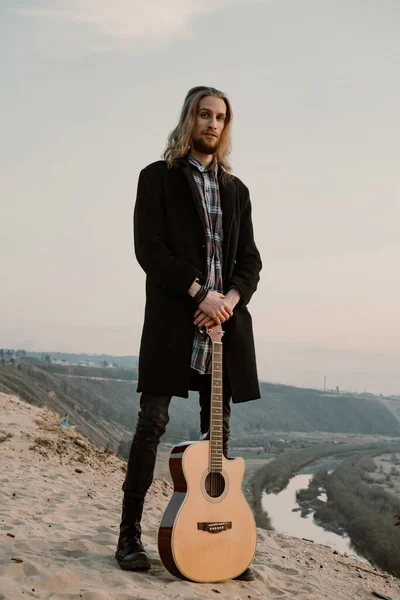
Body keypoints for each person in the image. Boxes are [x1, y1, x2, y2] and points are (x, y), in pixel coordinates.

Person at [116, 86, 262, 578]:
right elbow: (149, 250)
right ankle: (130, 536)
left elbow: (250, 262)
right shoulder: (156, 179)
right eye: (204, 114)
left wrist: (228, 303)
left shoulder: (236, 190)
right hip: (173, 324)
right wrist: (201, 293)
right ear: (189, 119)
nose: (213, 124)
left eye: (221, 117)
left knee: (216, 440)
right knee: (152, 424)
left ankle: (219, 534)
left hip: (223, 330)